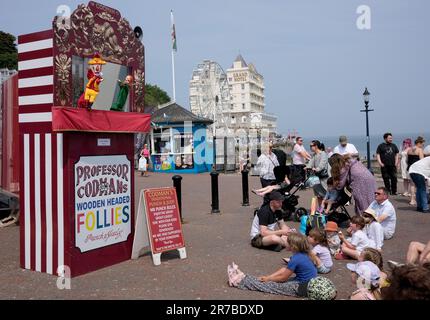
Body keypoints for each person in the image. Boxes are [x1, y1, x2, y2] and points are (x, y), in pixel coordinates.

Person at [227, 232, 317, 298]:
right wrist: (268, 277)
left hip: (301, 288)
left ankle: (239, 281)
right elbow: (283, 270)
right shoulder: (302, 254)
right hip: (307, 284)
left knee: (269, 286)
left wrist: (269, 279)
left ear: (293, 246)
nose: (284, 241)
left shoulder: (296, 258)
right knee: (269, 280)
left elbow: (283, 278)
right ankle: (244, 277)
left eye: (287, 241)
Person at [408, 144, 430, 213]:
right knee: (423, 189)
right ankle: (425, 208)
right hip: (418, 172)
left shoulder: (428, 158)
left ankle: (419, 206)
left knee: (419, 189)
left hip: (412, 170)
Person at [407, 136, 425, 206]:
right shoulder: (419, 150)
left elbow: (407, 160)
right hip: (417, 169)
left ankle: (412, 200)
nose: (423, 145)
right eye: (422, 144)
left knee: (412, 185)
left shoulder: (409, 150)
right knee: (420, 185)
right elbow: (422, 160)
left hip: (410, 168)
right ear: (419, 143)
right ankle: (419, 199)